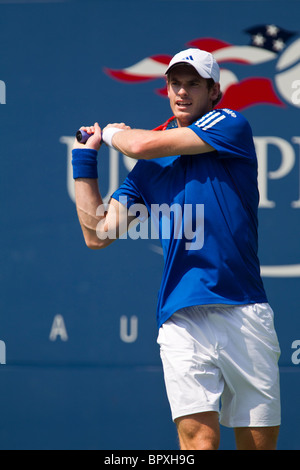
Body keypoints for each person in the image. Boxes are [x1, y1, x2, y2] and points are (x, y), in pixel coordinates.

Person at [71, 48, 281, 450]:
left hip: (245, 310)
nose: (182, 92)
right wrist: (85, 159)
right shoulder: (150, 171)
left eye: (193, 84)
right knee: (198, 441)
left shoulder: (230, 124)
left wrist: (112, 133)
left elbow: (143, 145)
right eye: (175, 83)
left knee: (258, 446)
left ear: (214, 91)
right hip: (182, 317)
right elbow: (98, 233)